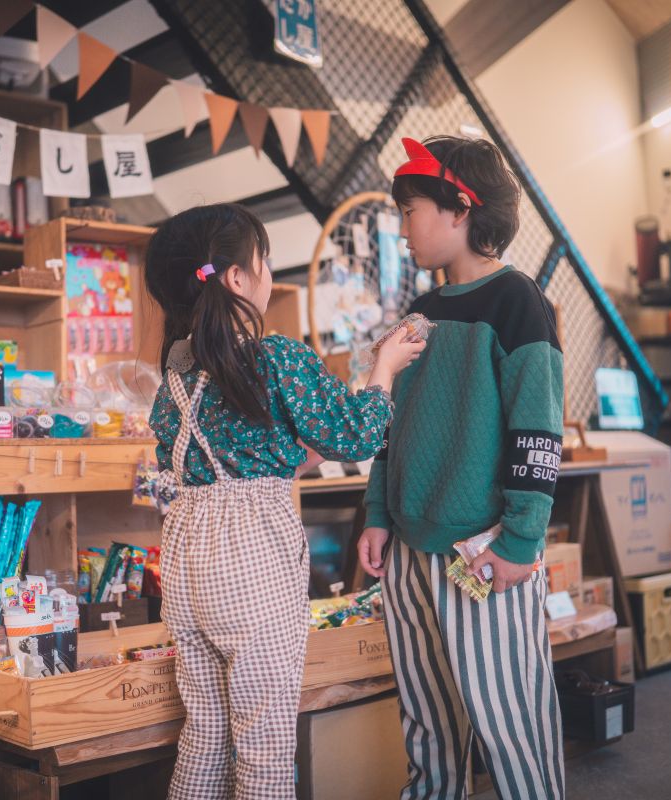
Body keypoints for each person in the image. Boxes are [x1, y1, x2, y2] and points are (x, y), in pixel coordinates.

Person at [146, 203, 424, 800]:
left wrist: (297, 458)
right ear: (236, 278)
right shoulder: (274, 358)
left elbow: (231, 463)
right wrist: (384, 368)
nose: (269, 272)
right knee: (265, 748)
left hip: (187, 566)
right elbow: (358, 434)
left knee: (205, 737)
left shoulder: (174, 380)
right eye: (264, 260)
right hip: (251, 565)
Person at [358, 136, 565, 799]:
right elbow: (390, 424)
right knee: (428, 728)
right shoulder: (419, 315)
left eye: (410, 210)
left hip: (483, 553)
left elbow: (539, 433)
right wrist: (377, 513)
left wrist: (521, 540)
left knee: (510, 723)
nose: (403, 228)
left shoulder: (519, 302)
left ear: (460, 208)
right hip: (407, 556)